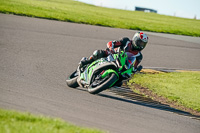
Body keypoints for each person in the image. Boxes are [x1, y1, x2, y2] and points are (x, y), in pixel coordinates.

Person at [80, 32, 148, 72]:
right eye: (139, 42)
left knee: (120, 82)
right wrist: (111, 49)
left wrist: (135, 70)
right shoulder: (126, 41)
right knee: (98, 53)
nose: (140, 45)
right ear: (135, 39)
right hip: (113, 55)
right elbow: (111, 43)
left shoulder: (139, 56)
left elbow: (134, 67)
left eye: (143, 44)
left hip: (121, 65)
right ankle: (86, 61)